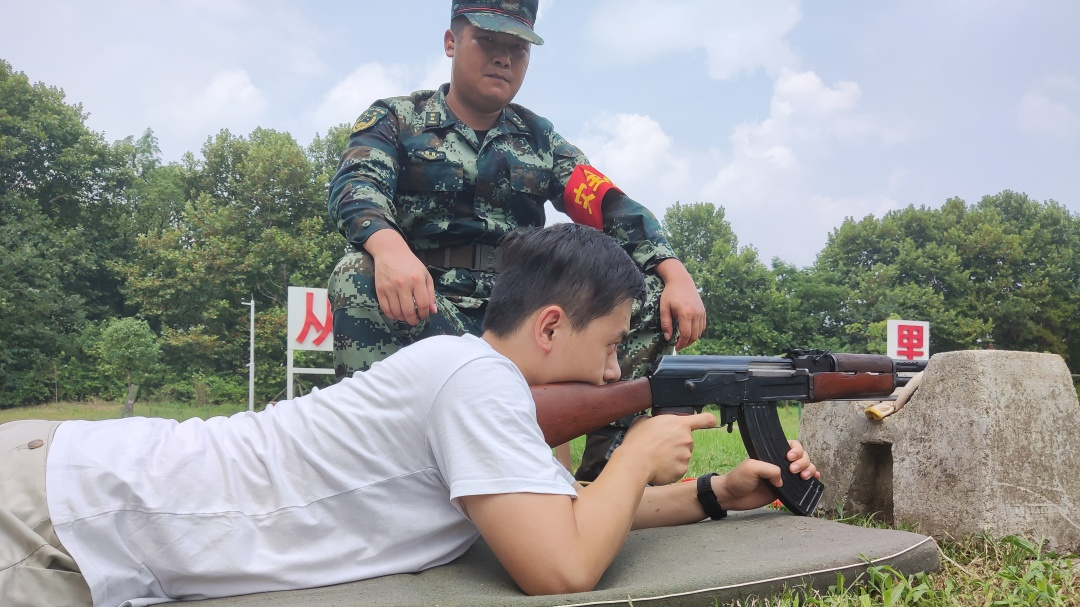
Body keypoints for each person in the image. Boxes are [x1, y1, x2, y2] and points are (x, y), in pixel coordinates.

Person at [0, 224, 819, 606]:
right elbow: (560, 567)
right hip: (60, 509)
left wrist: (716, 490)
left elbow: (561, 515)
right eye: (609, 346)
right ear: (549, 328)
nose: (615, 370)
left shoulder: (467, 376)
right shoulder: (473, 378)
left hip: (89, 515)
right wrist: (638, 449)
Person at [327, 0, 707, 479]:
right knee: (355, 274)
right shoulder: (397, 118)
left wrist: (675, 272)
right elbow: (357, 186)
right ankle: (374, 473)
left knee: (650, 298)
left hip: (517, 317)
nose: (504, 58)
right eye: (487, 41)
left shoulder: (538, 139)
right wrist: (388, 248)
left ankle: (609, 478)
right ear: (451, 42)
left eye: (518, 49)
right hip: (424, 302)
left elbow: (606, 203)